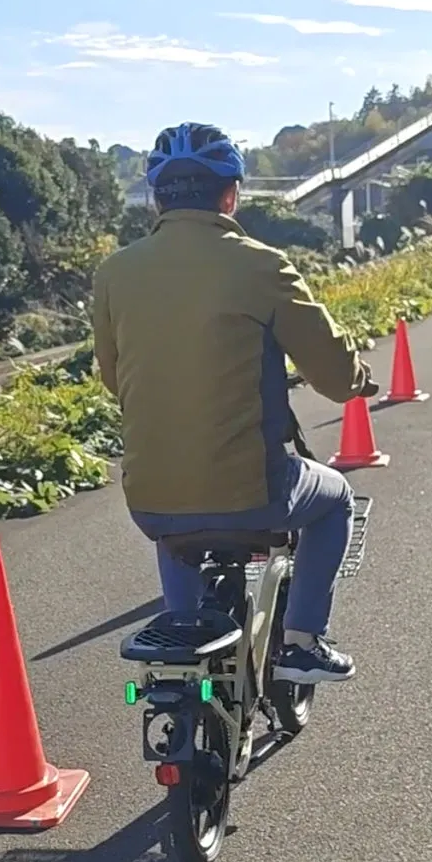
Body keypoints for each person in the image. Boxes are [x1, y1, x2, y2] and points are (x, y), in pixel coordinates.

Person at [92, 122, 376, 684]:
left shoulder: (114, 273)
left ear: (157, 197)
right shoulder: (261, 265)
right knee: (336, 498)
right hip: (254, 494)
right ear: (231, 194)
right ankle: (301, 642)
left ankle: (179, 652)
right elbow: (336, 379)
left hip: (149, 498)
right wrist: (360, 378)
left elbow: (113, 377)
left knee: (176, 533)